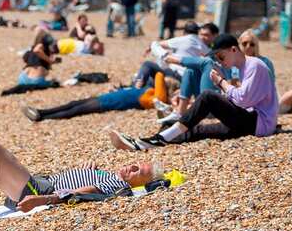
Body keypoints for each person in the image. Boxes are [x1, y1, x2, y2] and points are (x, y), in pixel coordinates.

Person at [111, 34, 279, 150]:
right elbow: (241, 99)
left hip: (259, 123)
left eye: (221, 57)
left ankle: (158, 140)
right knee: (197, 131)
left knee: (207, 97)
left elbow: (243, 100)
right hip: (251, 121)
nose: (220, 61)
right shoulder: (243, 67)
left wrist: (221, 83)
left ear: (233, 50)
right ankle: (142, 143)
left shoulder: (254, 65)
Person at [0, 138, 163, 220]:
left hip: (40, 191)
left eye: (137, 170)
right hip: (41, 184)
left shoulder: (120, 184)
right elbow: (88, 182)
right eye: (134, 163)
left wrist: (43, 200)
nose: (131, 166)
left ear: (139, 183)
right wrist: (90, 172)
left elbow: (84, 193)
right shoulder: (110, 176)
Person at [21, 72, 173, 121]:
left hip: (107, 104)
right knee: (74, 103)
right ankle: (41, 112)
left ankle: (42, 117)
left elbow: (159, 74)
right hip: (107, 98)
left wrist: (164, 78)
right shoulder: (149, 93)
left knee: (77, 109)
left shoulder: (154, 99)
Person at [133, 21, 216, 88]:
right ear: (197, 32)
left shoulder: (181, 39)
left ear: (184, 32)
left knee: (148, 64)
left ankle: (137, 86)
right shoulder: (205, 47)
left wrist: (150, 47)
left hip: (176, 73)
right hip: (189, 79)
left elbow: (159, 44)